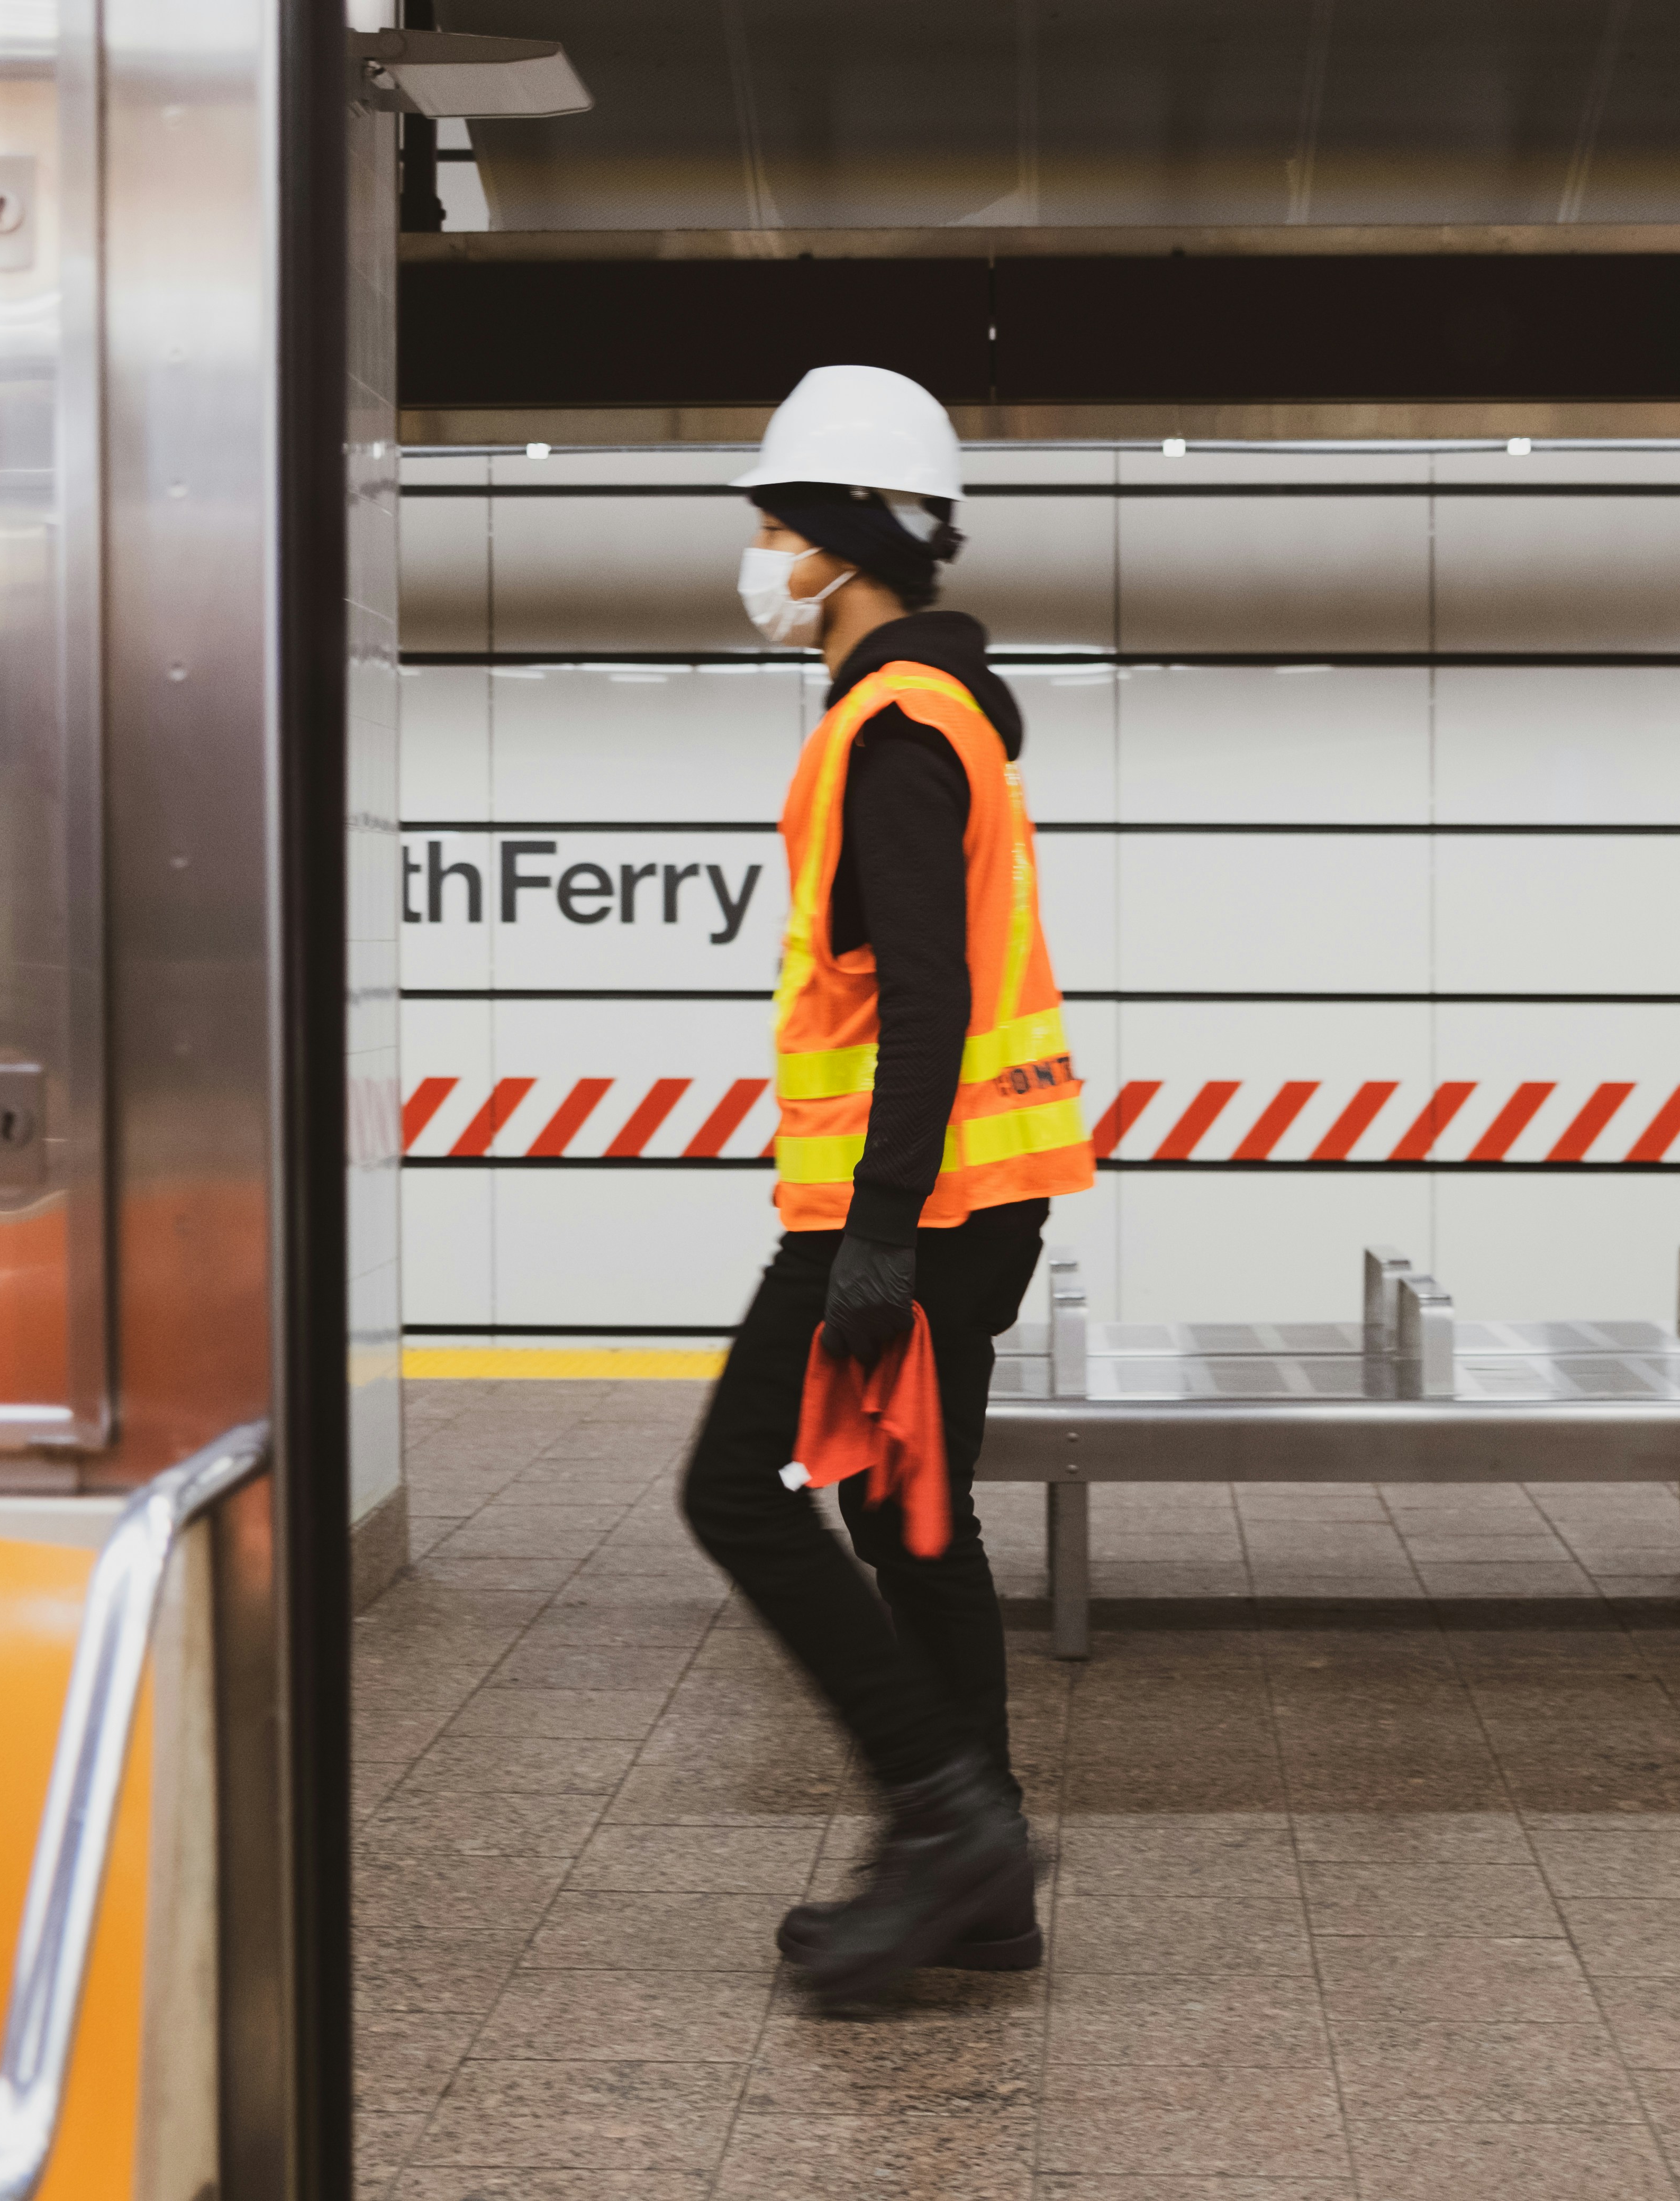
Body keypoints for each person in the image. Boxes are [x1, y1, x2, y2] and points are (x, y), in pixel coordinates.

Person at [677, 365, 1095, 2005]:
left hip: (907, 1210)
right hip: (973, 1199)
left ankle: (945, 1821)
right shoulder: (938, 713)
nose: (762, 556)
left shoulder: (894, 728)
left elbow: (924, 996)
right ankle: (978, 1885)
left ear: (842, 543)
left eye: (775, 527)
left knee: (735, 1494)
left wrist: (869, 1237)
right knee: (909, 1516)